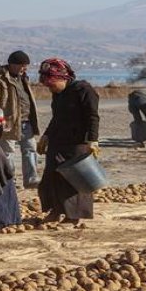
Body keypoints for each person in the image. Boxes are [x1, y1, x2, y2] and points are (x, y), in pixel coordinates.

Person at [36, 58, 99, 224]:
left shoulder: (83, 90)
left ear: (63, 77)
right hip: (58, 140)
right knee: (52, 177)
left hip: (77, 142)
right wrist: (46, 135)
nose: (50, 89)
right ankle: (55, 210)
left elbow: (93, 116)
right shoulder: (58, 94)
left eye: (51, 85)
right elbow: (57, 118)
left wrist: (93, 140)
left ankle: (73, 216)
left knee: (74, 180)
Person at [0, 50, 40, 188]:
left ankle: (31, 179)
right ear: (12, 64)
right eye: (22, 65)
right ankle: (10, 181)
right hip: (8, 122)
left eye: (26, 66)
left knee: (30, 149)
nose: (24, 68)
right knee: (7, 152)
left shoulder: (23, 78)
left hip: (26, 121)